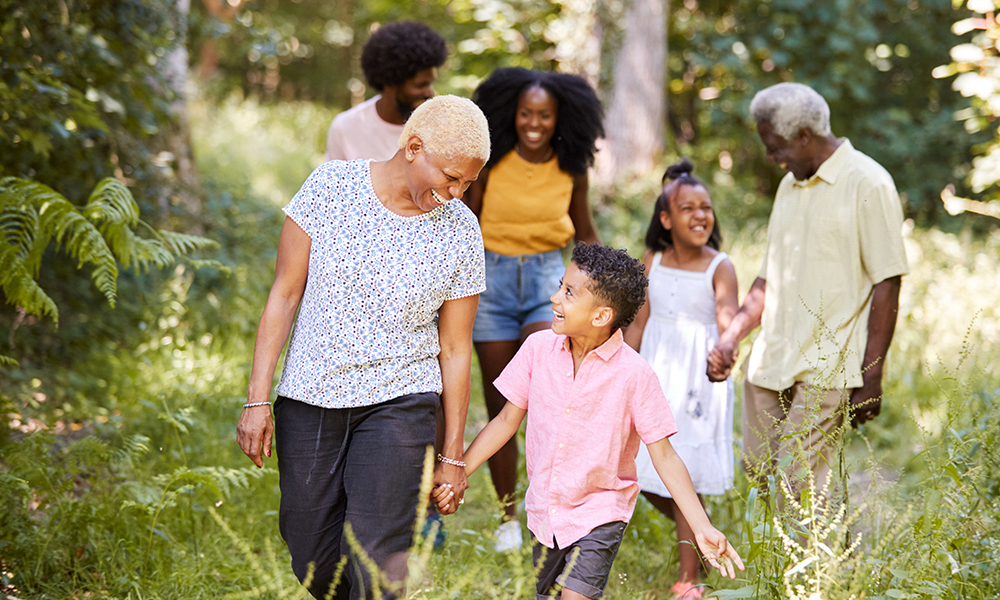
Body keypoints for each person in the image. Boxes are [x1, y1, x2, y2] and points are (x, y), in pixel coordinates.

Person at [237, 95, 491, 600]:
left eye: (467, 183)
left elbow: (456, 348)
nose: (457, 193)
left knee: (376, 555)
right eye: (451, 177)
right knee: (309, 547)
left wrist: (453, 455)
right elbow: (284, 295)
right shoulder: (331, 187)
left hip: (401, 401)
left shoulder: (461, 231)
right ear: (413, 147)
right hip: (312, 393)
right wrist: (258, 398)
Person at [434, 243, 744, 600]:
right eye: (560, 286)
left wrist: (701, 526)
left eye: (568, 292)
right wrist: (458, 470)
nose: (554, 298)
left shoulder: (635, 375)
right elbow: (505, 421)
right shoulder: (538, 349)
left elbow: (664, 455)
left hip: (600, 512)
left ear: (601, 316)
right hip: (545, 512)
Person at [707, 82, 909, 494]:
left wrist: (872, 376)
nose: (771, 157)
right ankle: (794, 556)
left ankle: (818, 559)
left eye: (775, 146)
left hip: (828, 365)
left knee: (797, 484)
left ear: (804, 136)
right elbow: (770, 276)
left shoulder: (868, 183)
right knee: (759, 474)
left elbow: (888, 283)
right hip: (772, 359)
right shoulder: (789, 186)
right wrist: (731, 338)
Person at [463, 67, 604, 551]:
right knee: (502, 402)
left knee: (549, 399)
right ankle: (506, 516)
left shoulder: (570, 166)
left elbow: (584, 232)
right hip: (490, 280)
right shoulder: (493, 159)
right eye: (526, 113)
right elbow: (467, 219)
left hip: (549, 280)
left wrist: (607, 285)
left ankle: (551, 511)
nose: (535, 123)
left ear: (560, 117)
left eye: (544, 115)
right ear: (512, 114)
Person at [622, 159, 738, 599]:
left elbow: (728, 325)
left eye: (706, 207)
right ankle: (700, 529)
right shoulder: (653, 259)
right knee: (640, 466)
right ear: (666, 220)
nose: (700, 215)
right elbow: (637, 324)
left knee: (681, 467)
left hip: (696, 386)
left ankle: (689, 581)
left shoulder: (719, 266)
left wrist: (725, 352)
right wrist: (621, 370)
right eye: (687, 208)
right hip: (655, 373)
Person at [325, 21, 447, 161]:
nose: (428, 93)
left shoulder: (440, 129)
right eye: (420, 85)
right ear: (390, 82)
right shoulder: (345, 129)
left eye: (430, 83)